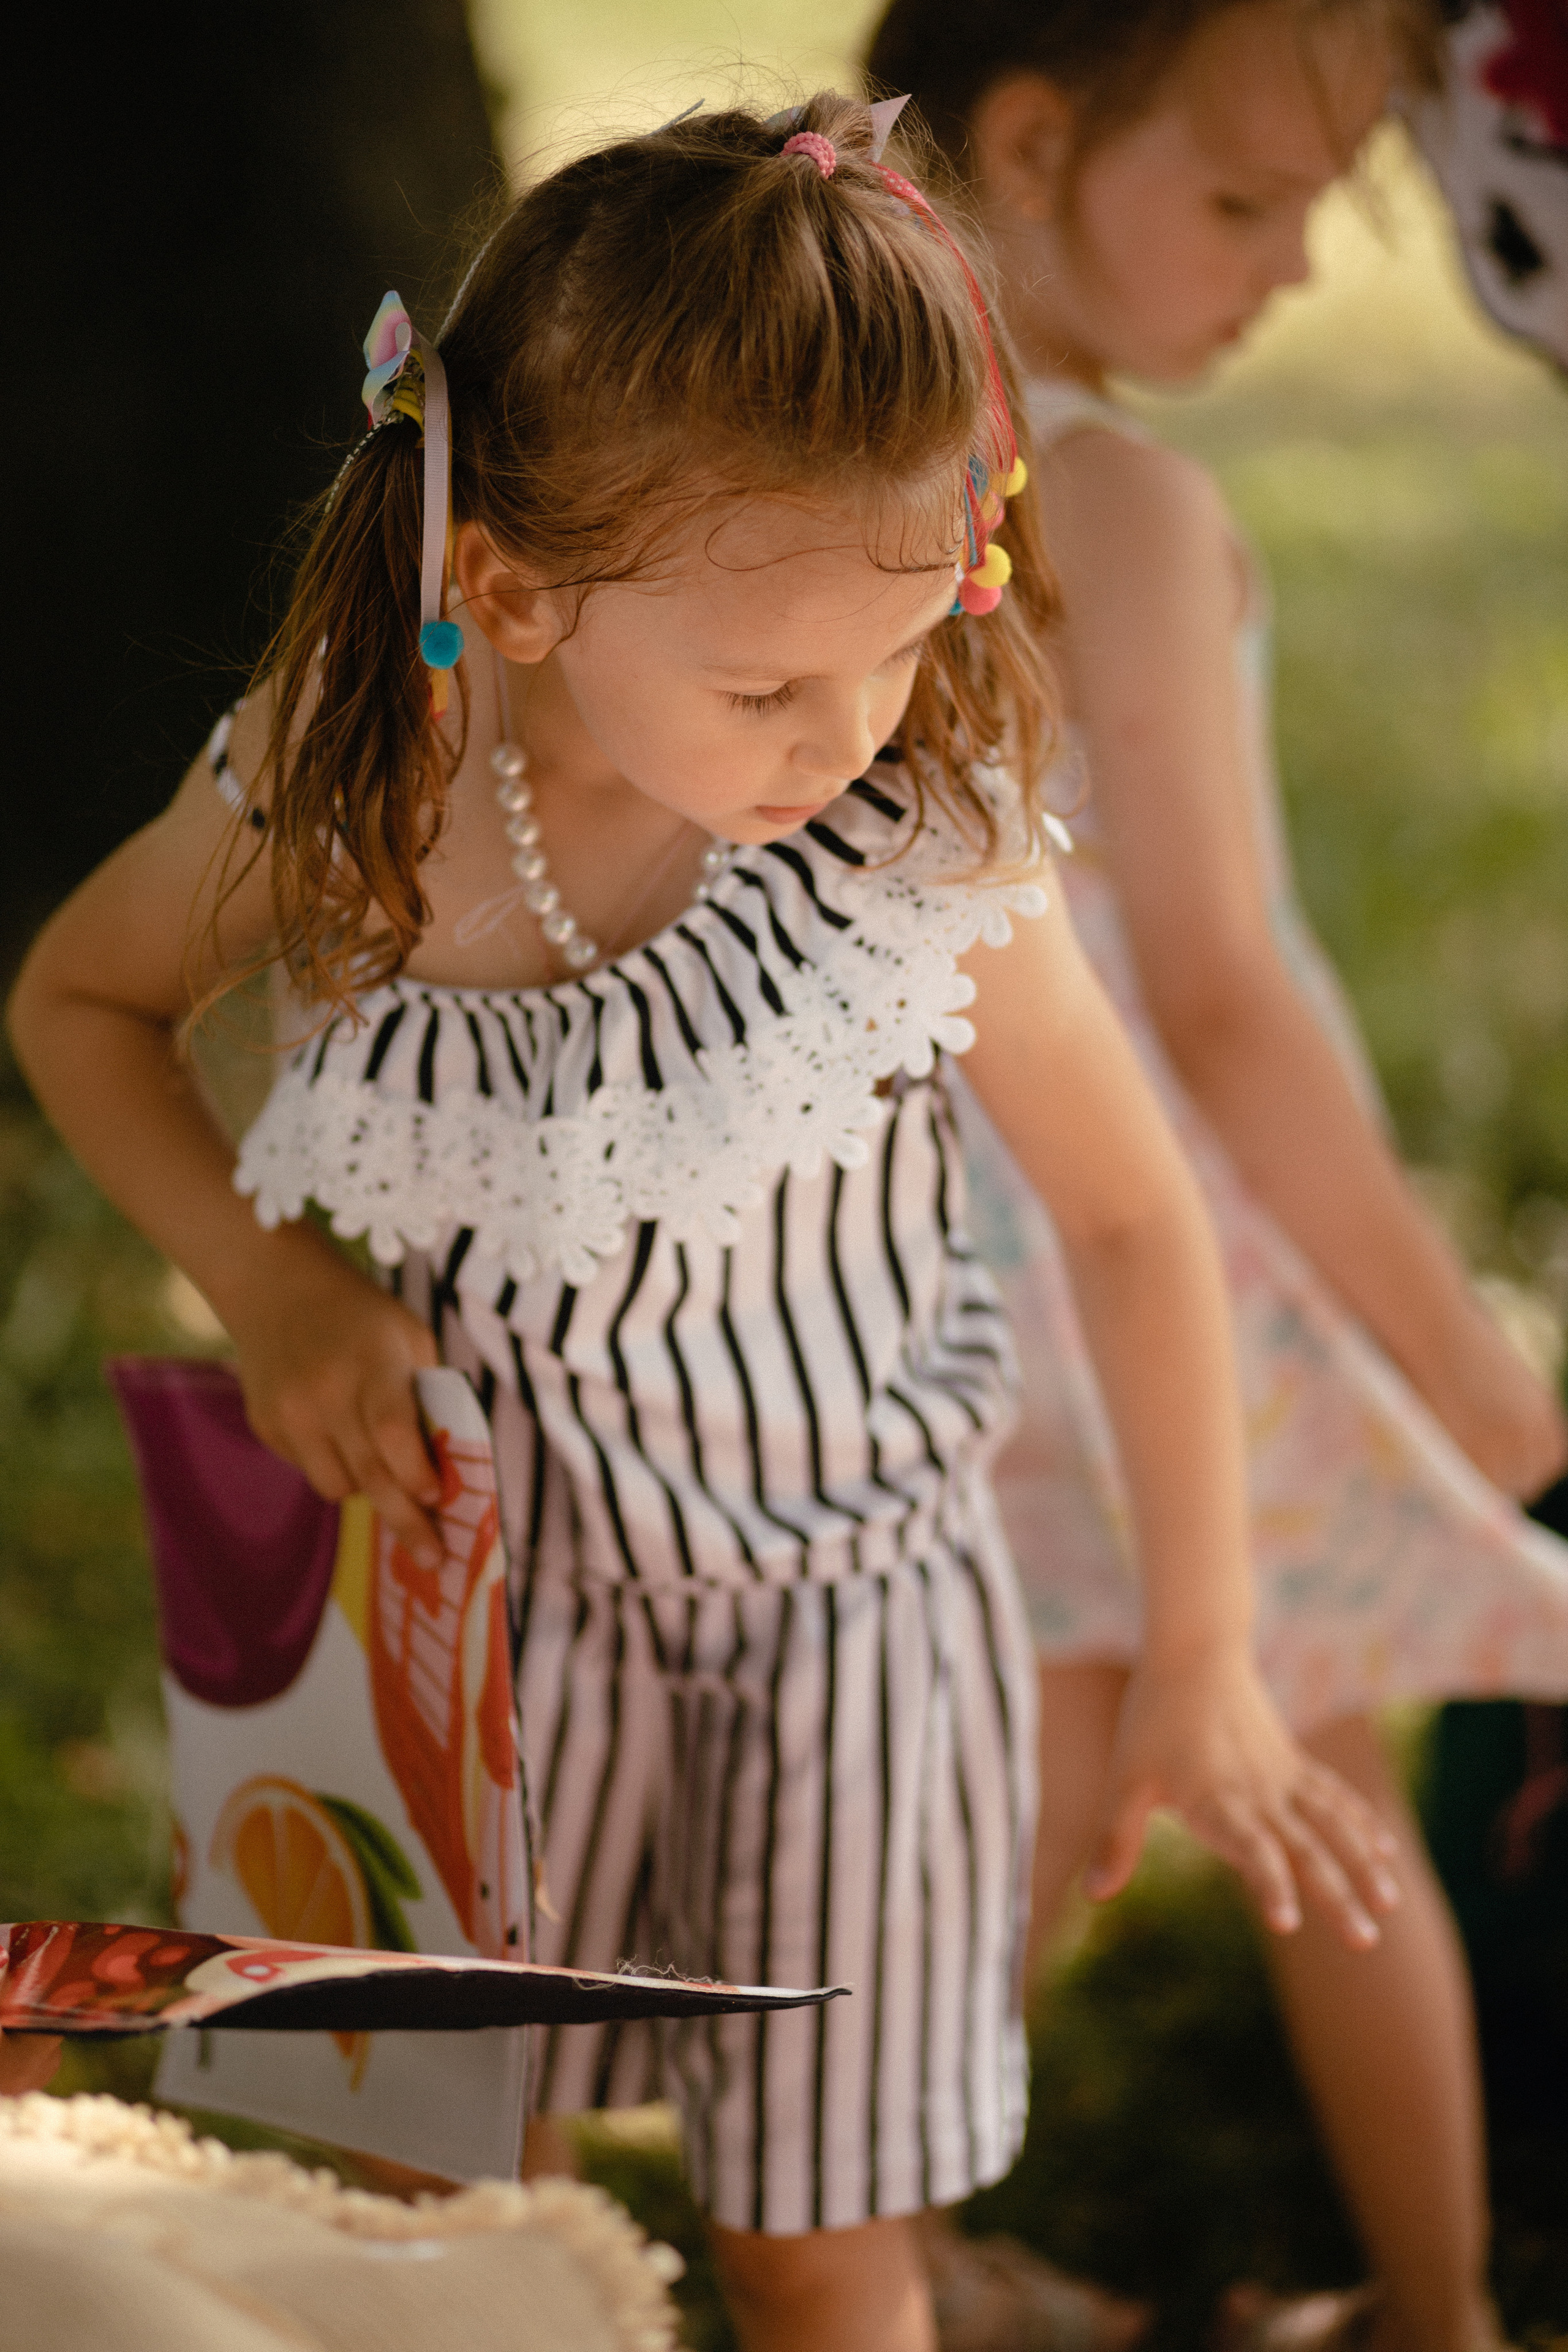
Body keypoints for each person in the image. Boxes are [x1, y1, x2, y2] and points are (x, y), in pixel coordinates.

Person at [7, 96, 1396, 2352]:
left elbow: (1139, 1223)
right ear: (511, 591)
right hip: (479, 1618)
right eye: (766, 689)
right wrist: (271, 1287)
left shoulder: (910, 841)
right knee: (448, 2196)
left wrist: (1208, 1652)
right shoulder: (360, 786)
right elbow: (79, 1002)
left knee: (816, 2244)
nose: (847, 734)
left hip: (852, 1632)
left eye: (905, 641)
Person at [861, 6, 1568, 2348]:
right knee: (1312, 1776)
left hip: (944, 1262)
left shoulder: (838, 468)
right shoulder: (1127, 506)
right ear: (1036, 140)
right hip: (1173, 1271)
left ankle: (880, 2247)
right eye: (1251, 203)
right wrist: (1460, 1354)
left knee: (1034, 1784)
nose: (1296, 270)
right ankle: (1442, 2311)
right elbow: (1227, 1005)